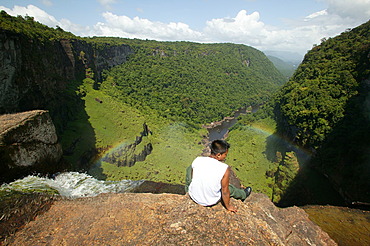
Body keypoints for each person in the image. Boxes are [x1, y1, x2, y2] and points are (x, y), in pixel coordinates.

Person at [185, 139, 252, 212]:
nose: (225, 157)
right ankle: (243, 194)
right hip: (210, 201)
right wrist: (228, 206)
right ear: (218, 155)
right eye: (225, 154)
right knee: (229, 188)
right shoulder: (224, 168)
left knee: (190, 169)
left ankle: (187, 190)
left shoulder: (198, 160)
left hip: (194, 196)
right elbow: (225, 191)